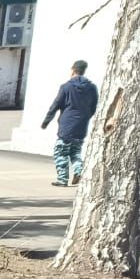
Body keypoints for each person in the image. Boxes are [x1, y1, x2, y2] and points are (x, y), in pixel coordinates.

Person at [41, 59, 99, 187]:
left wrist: (46, 121)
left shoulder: (66, 87)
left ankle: (62, 179)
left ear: (73, 70)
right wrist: (85, 117)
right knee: (75, 151)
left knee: (60, 151)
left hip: (67, 125)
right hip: (82, 125)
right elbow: (94, 107)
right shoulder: (92, 87)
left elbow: (55, 105)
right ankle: (78, 170)